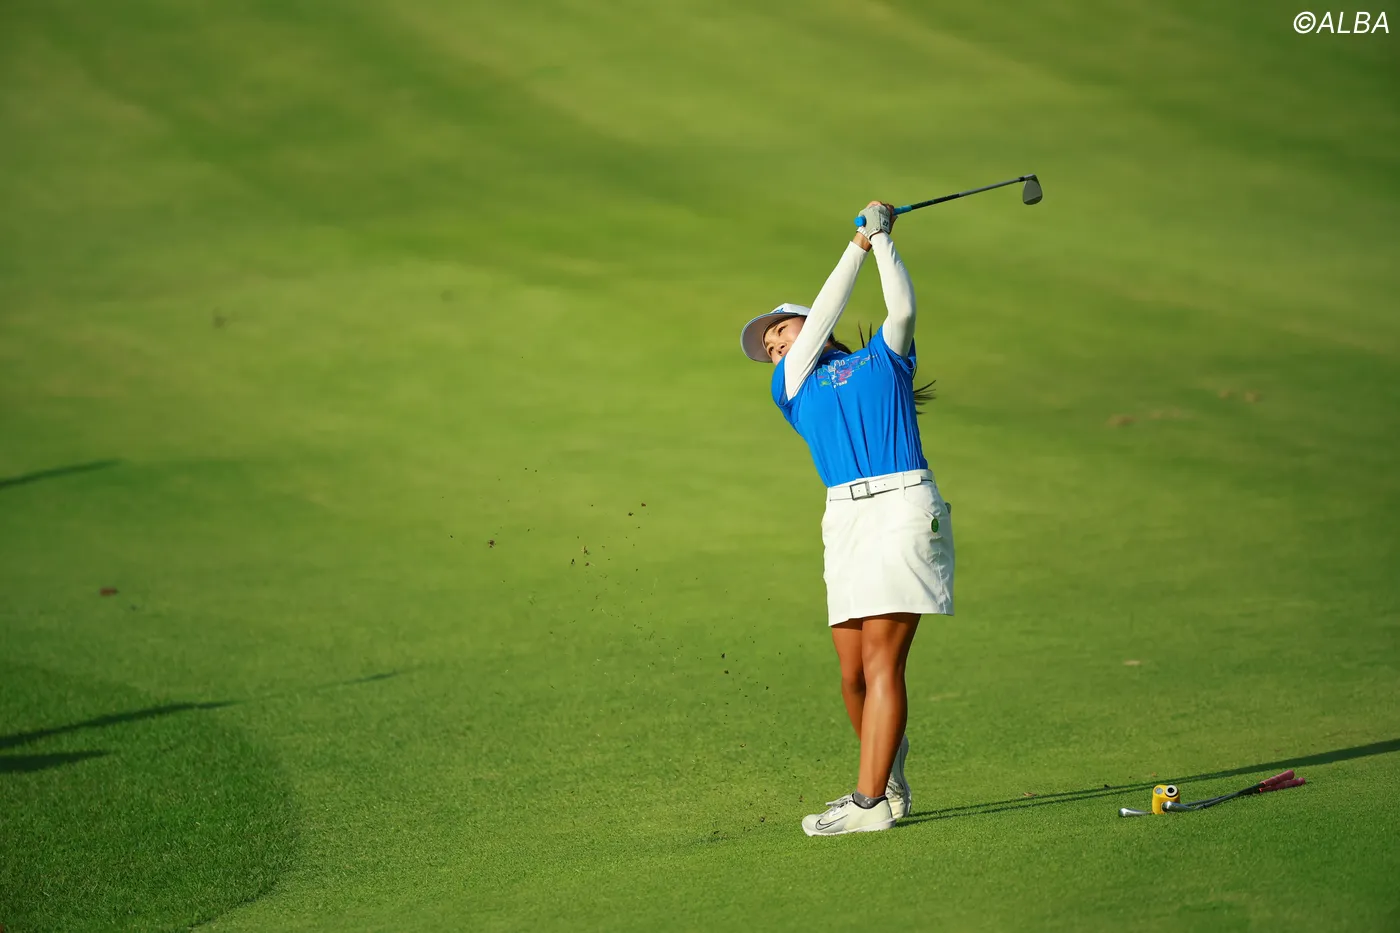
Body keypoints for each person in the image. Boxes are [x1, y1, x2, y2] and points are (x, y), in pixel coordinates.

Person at [738, 202, 955, 836]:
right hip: (844, 519)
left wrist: (878, 242)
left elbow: (902, 311)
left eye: (783, 332)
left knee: (883, 664)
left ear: (811, 322)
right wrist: (857, 244)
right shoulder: (791, 386)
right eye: (771, 347)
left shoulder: (884, 359)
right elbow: (818, 325)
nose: (777, 346)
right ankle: (886, 769)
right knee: (851, 674)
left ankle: (870, 804)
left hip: (903, 505)